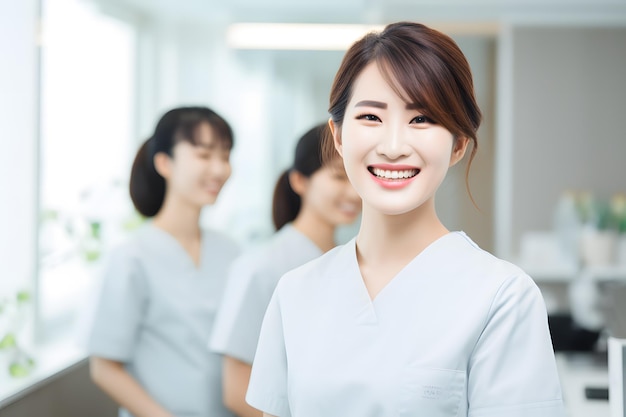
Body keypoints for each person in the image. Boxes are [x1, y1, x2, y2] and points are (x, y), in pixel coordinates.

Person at [245, 22, 566, 417]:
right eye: (371, 118)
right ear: (339, 136)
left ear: (458, 145)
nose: (394, 147)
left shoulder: (502, 297)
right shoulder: (295, 293)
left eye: (421, 119)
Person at [87, 106, 240, 417]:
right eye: (204, 154)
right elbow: (103, 367)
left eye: (225, 155)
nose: (220, 168)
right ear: (164, 162)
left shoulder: (231, 252)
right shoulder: (131, 257)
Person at [209, 123, 361, 417]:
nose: (353, 193)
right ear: (300, 181)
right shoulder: (260, 267)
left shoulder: (354, 262)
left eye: (358, 177)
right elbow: (236, 389)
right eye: (339, 177)